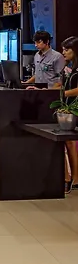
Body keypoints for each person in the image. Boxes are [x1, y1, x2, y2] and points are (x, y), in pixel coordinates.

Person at [59, 36, 78, 193]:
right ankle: (68, 178)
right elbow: (62, 85)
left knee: (70, 141)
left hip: (75, 108)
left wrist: (62, 94)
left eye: (67, 49)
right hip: (67, 108)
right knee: (66, 141)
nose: (63, 52)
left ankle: (74, 178)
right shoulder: (68, 66)